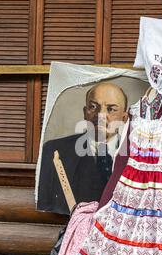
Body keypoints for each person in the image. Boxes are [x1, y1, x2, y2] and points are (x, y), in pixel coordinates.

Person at [37, 82, 128, 215]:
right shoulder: (54, 151)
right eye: (93, 107)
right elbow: (44, 206)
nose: (100, 115)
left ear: (124, 118)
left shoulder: (137, 156)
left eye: (111, 109)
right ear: (85, 113)